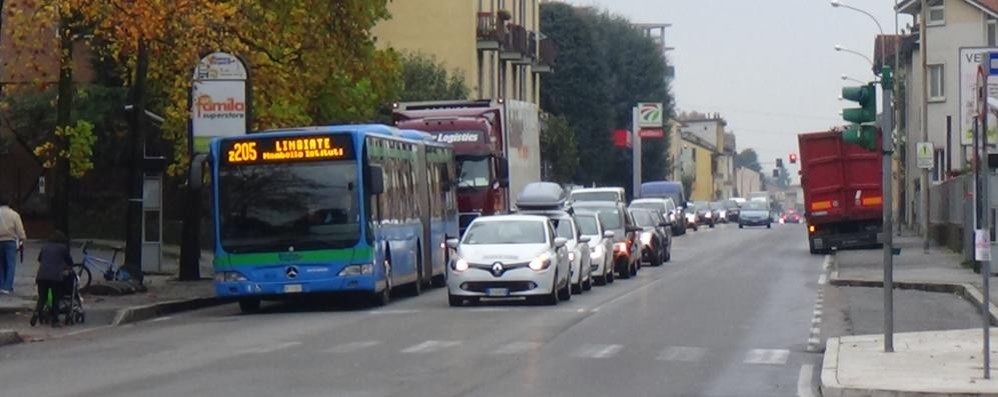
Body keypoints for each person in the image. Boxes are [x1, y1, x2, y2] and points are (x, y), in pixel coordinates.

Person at [33, 230, 72, 327]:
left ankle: (37, 312)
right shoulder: (63, 248)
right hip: (55, 277)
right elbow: (69, 261)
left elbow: (39, 259)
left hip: (41, 276)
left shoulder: (45, 246)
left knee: (42, 297)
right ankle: (55, 320)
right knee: (56, 298)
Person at [0, 194, 26, 294]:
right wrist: (22, 238)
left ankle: (1, 284)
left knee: (1, 264)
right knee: (10, 264)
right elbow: (20, 230)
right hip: (10, 241)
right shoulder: (14, 214)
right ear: (9, 202)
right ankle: (7, 286)